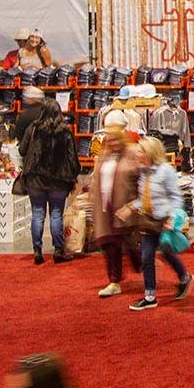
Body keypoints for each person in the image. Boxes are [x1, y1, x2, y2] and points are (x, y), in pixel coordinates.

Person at [127, 137, 192, 310]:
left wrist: (173, 218)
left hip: (164, 221)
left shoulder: (166, 171)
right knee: (147, 257)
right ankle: (150, 296)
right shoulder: (143, 171)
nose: (137, 153)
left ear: (149, 152)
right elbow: (144, 198)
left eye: (140, 150)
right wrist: (131, 207)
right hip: (148, 220)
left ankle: (184, 277)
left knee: (167, 252)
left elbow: (176, 196)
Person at [17, 99, 80, 265]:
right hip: (59, 180)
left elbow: (22, 150)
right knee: (56, 214)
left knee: (37, 213)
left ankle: (37, 251)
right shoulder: (65, 131)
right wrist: (75, 176)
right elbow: (72, 157)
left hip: (35, 179)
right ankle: (58, 250)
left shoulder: (33, 129)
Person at [88, 123, 143, 298]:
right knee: (110, 245)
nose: (111, 143)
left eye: (114, 139)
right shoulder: (103, 157)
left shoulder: (132, 154)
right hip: (105, 208)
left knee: (130, 243)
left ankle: (143, 265)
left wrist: (137, 203)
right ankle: (114, 281)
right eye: (108, 140)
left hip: (126, 208)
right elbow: (96, 179)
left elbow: (141, 178)